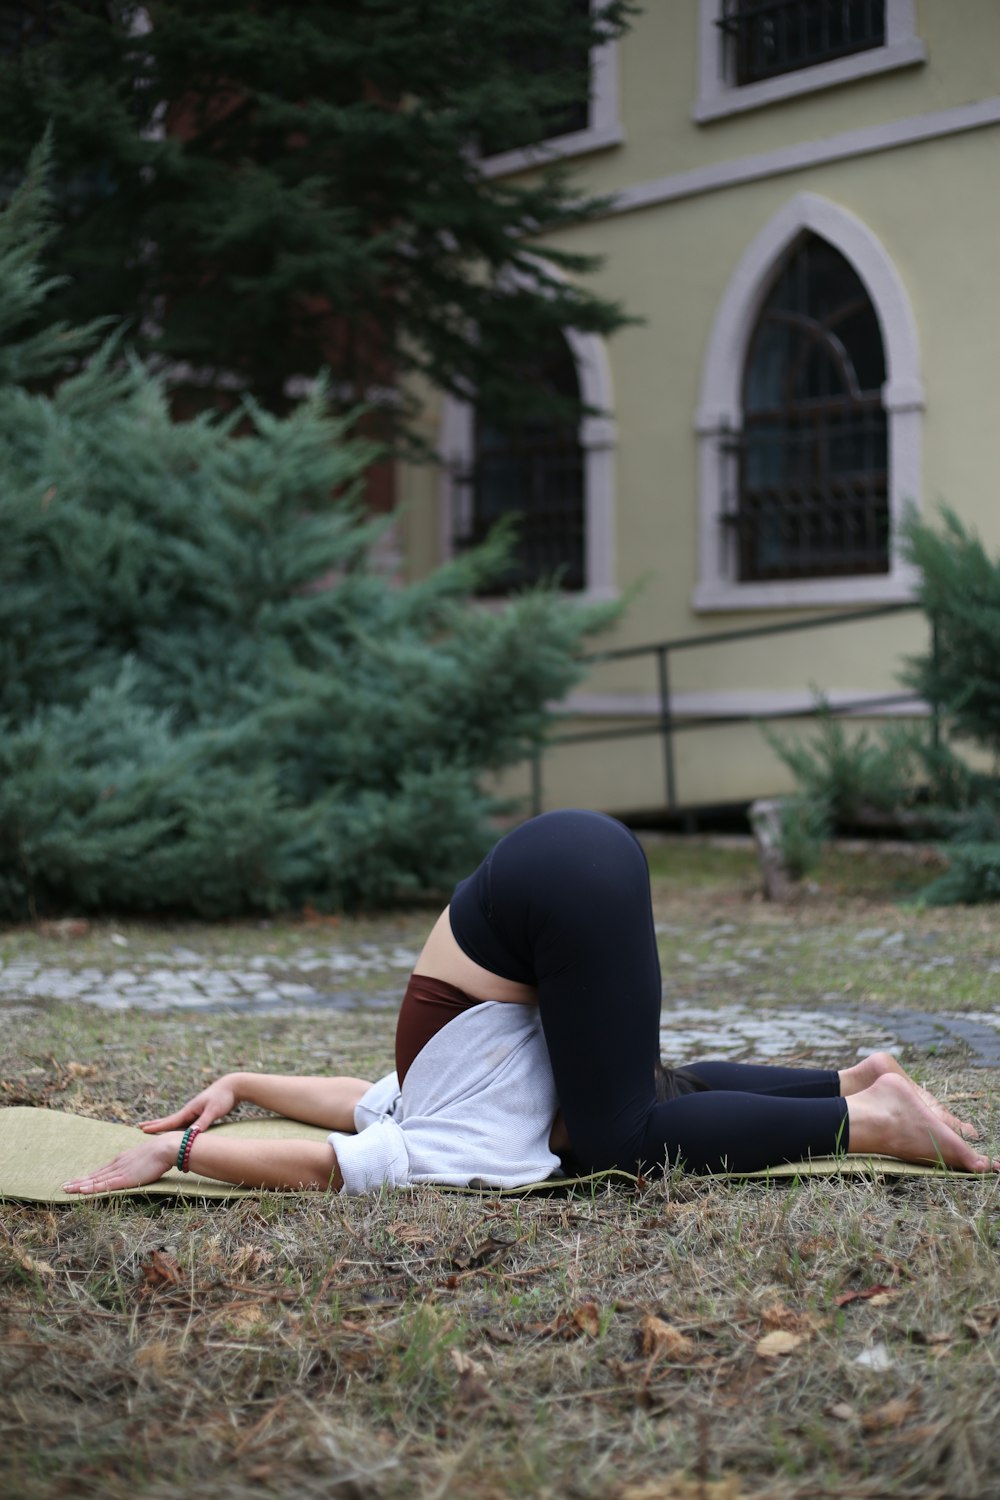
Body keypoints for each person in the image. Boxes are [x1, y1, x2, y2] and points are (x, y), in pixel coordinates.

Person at [63, 810, 997, 1198]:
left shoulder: (448, 1138)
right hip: (571, 857)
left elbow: (327, 1159)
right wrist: (243, 1084)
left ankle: (869, 1122)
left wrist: (178, 1150)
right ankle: (858, 1080)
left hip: (547, 899)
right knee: (641, 1092)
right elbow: (347, 1107)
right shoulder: (453, 1108)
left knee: (619, 1134)